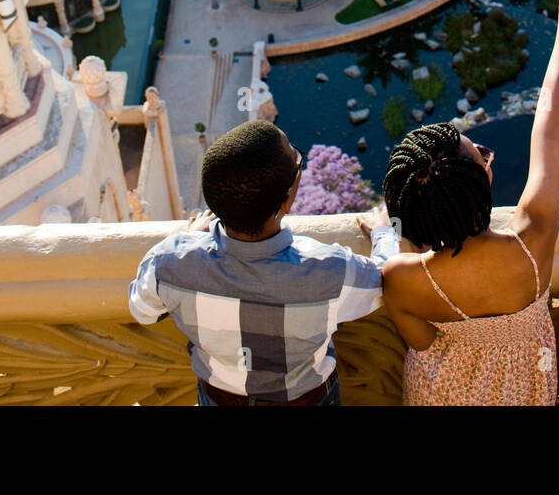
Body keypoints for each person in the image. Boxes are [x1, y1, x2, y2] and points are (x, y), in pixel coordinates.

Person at [379, 0, 559, 405]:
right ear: (480, 185)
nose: (485, 151)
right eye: (480, 153)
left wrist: (401, 236)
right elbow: (549, 116)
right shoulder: (533, 241)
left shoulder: (403, 277)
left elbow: (422, 344)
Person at [128, 119, 398, 405]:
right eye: (296, 161)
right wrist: (384, 233)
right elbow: (387, 281)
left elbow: (143, 311)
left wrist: (188, 239)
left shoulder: (170, 262)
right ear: (286, 202)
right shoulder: (328, 269)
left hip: (219, 398)